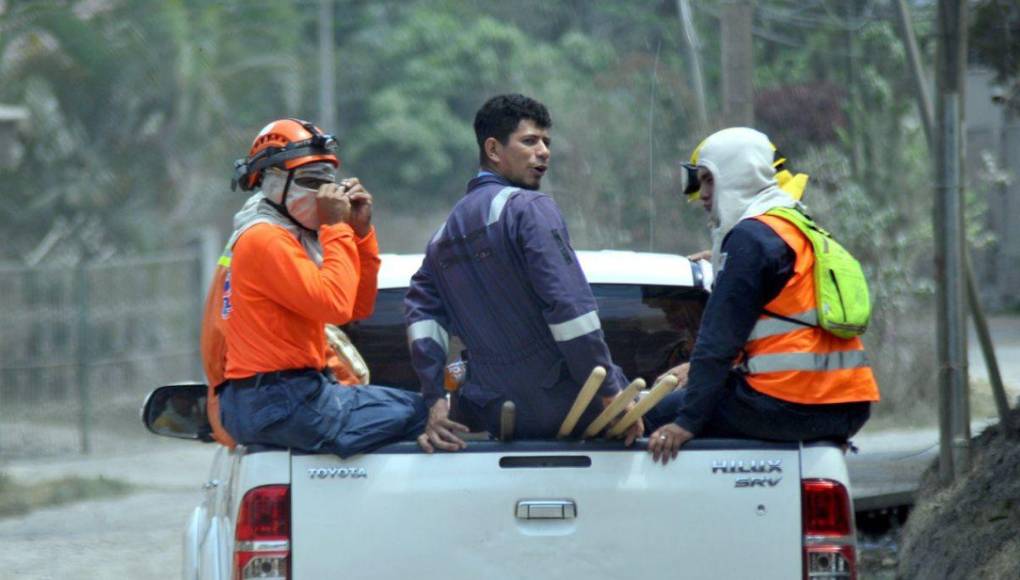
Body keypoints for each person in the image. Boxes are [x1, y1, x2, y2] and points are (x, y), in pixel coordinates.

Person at [405, 94, 643, 452]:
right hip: (572, 406)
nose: (544, 151)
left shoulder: (441, 239)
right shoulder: (530, 209)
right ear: (494, 149)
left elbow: (422, 316)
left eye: (546, 141)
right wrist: (609, 390)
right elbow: (570, 312)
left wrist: (435, 400)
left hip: (494, 412)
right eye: (530, 141)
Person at [644, 127, 880, 465]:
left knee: (655, 414)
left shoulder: (750, 238)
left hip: (789, 405)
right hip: (848, 409)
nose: (703, 195)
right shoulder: (798, 226)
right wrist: (696, 372)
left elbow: (718, 341)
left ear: (736, 176)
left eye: (709, 180)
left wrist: (686, 423)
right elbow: (779, 333)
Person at [210, 118, 426, 457]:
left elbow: (356, 307)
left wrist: (360, 233)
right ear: (273, 183)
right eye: (312, 182)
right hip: (280, 400)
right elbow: (335, 306)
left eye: (329, 183)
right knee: (423, 411)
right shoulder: (264, 238)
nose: (324, 195)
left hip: (282, 398)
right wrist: (336, 226)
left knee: (413, 408)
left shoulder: (292, 239)